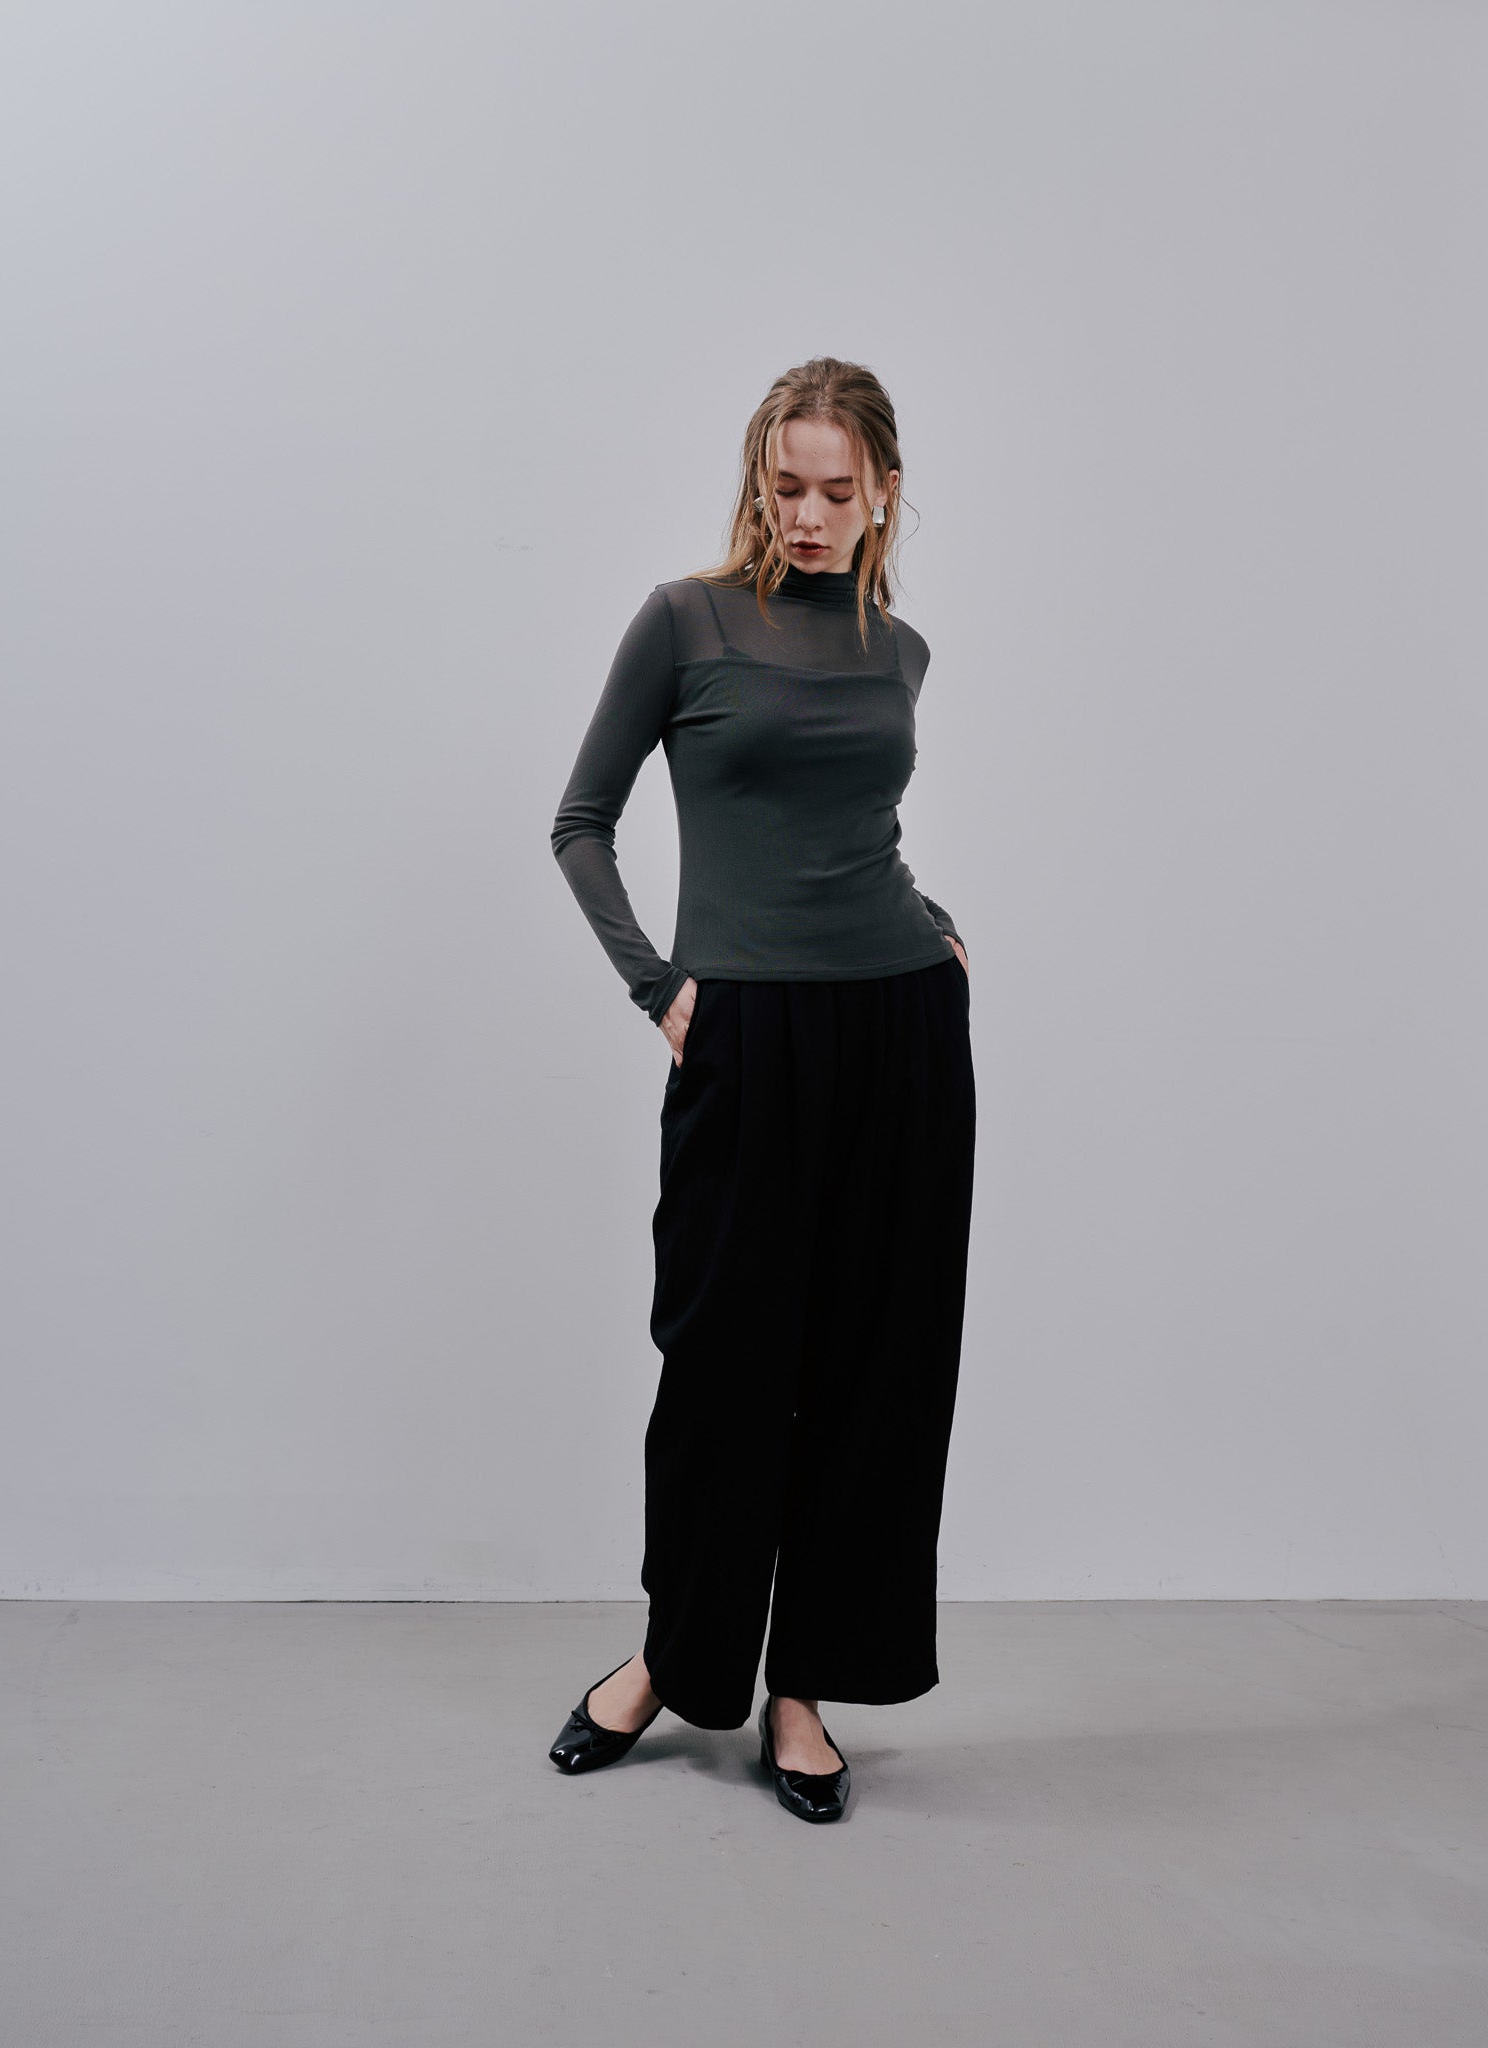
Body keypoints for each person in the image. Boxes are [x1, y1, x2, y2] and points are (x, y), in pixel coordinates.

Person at [545, 356, 975, 1823]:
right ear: (757, 481)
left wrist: (931, 922)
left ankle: (804, 1687)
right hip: (744, 1032)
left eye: (836, 490)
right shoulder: (686, 621)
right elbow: (581, 822)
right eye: (784, 485)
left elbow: (860, 829)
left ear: (883, 494)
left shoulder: (898, 649)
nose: (806, 513)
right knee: (722, 1367)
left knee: (873, 1369)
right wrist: (658, 987)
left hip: (899, 1029)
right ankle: (673, 1660)